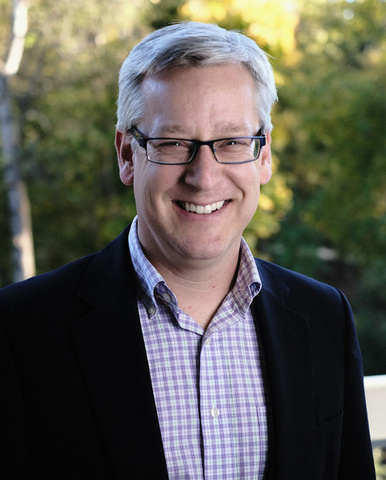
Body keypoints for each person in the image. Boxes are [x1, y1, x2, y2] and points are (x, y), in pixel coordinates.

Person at [0, 21, 375, 480]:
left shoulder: (325, 319)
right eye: (173, 142)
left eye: (232, 141)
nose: (204, 176)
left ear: (264, 156)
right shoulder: (20, 331)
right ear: (125, 155)